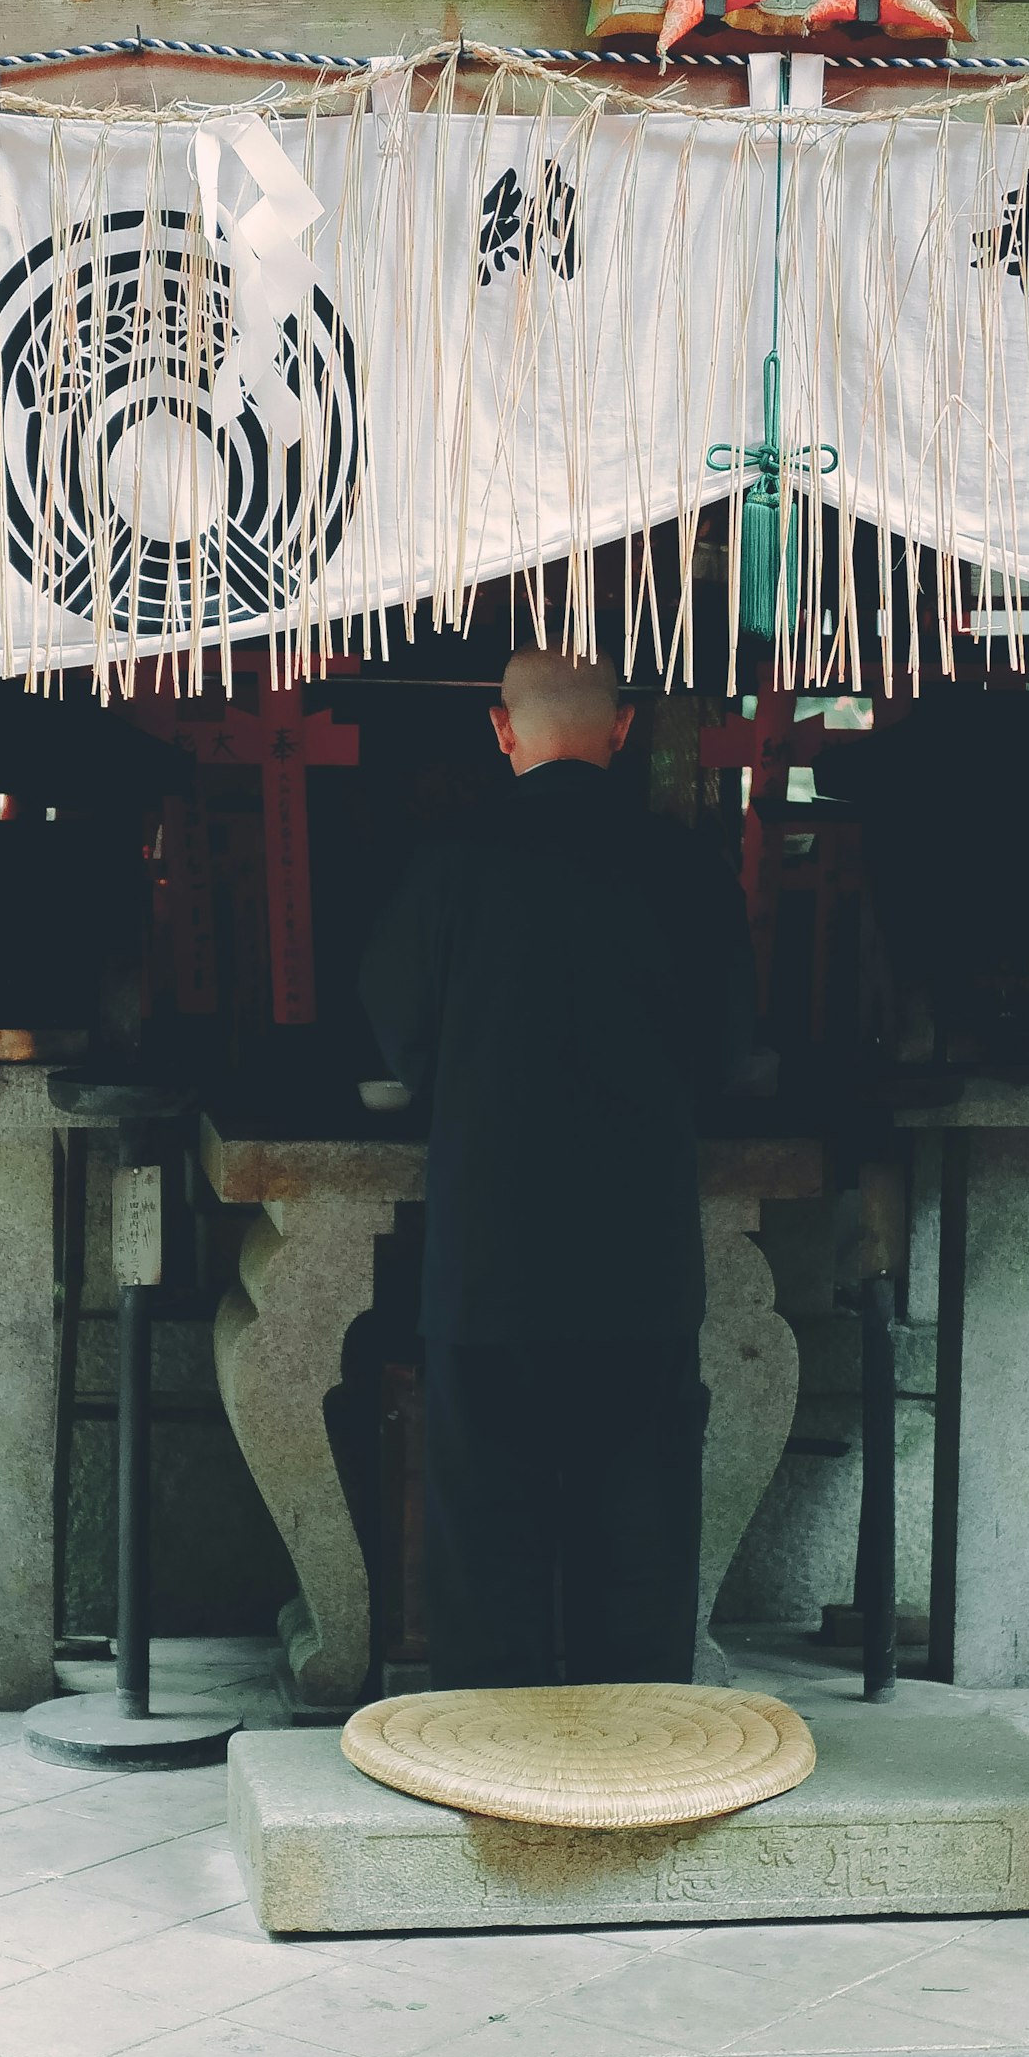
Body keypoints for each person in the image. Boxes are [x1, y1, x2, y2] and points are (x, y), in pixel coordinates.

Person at [359, 648, 761, 1689]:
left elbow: (401, 1039)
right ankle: (635, 1771)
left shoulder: (448, 864)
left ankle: (492, 1763)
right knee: (640, 1534)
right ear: (622, 729)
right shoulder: (687, 869)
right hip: (642, 1265)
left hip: (490, 1262)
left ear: (503, 731)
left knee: (483, 1536)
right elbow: (725, 1056)